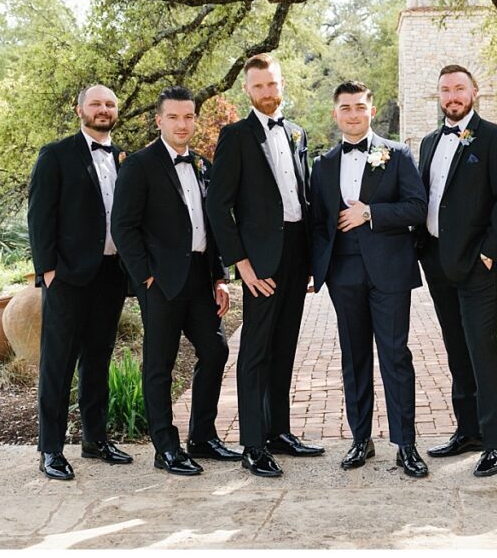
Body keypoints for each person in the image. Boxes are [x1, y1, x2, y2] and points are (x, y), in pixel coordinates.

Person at [111, 86, 240, 476]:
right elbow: (123, 227)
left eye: (188, 117)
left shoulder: (203, 165)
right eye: (173, 117)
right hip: (161, 284)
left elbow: (213, 225)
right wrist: (145, 277)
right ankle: (165, 448)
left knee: (215, 351)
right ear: (159, 120)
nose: (182, 124)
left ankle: (202, 436)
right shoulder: (139, 164)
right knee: (159, 366)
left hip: (201, 280)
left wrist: (219, 277)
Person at [205, 53, 323, 477]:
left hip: (295, 251)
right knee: (255, 350)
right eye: (259, 87)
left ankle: (280, 432)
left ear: (282, 83)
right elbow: (218, 207)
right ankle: (254, 445)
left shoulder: (296, 132)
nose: (267, 93)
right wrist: (242, 265)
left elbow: (304, 196)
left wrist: (310, 260)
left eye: (272, 84)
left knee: (285, 345)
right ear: (248, 90)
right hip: (260, 259)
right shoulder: (235, 136)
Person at [309, 81, 429, 478]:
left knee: (395, 356)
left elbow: (417, 207)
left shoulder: (396, 154)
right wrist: (316, 268)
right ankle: (361, 439)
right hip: (344, 273)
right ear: (336, 114)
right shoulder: (323, 164)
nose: (353, 114)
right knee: (353, 357)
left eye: (360, 107)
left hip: (390, 272)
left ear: (371, 111)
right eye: (346, 108)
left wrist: (371, 213)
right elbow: (317, 223)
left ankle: (406, 444)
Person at [417, 64, 497, 477]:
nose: (452, 96)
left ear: (474, 92)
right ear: (439, 96)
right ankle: (468, 430)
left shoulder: (495, 137)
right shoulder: (428, 142)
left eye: (459, 88)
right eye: (445, 90)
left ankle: (496, 443)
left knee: (481, 348)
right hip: (438, 262)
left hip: (479, 264)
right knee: (456, 348)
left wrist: (490, 252)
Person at [27, 84, 132, 481]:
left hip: (111, 275)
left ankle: (95, 439)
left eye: (109, 104)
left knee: (98, 360)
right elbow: (39, 216)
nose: (103, 110)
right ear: (80, 110)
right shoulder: (56, 155)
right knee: (58, 363)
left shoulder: (124, 158)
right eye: (96, 104)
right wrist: (48, 270)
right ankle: (51, 450)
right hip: (68, 277)